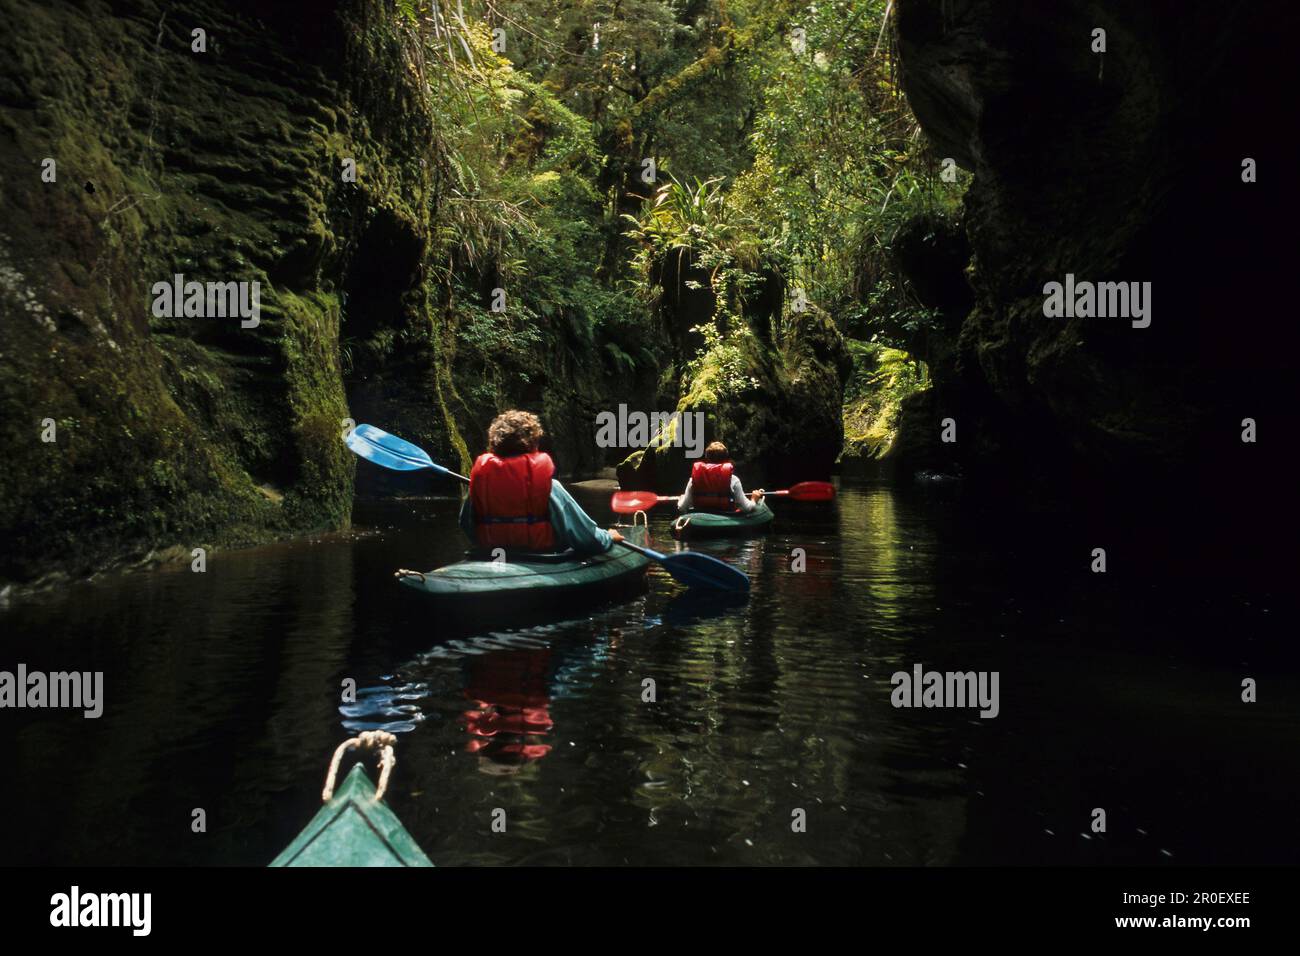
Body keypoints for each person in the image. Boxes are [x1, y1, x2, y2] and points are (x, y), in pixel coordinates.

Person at [459, 410, 624, 554]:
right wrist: (607, 537)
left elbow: (466, 524)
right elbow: (586, 538)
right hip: (542, 555)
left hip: (492, 553)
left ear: (493, 445)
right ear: (534, 444)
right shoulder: (549, 487)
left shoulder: (481, 484)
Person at [677, 441, 764, 513]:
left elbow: (682, 507)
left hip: (701, 517)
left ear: (707, 458)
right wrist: (754, 499)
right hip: (726, 516)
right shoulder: (733, 480)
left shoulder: (694, 479)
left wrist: (682, 499)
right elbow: (746, 508)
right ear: (725, 460)